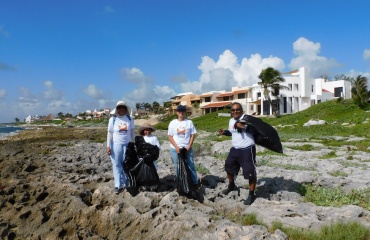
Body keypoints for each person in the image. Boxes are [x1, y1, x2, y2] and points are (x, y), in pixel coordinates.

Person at [218, 102, 257, 205]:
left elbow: (255, 130)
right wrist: (225, 132)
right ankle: (232, 185)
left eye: (237, 109)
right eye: (233, 110)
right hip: (235, 149)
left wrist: (243, 127)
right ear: (231, 112)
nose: (235, 112)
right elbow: (233, 132)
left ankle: (251, 194)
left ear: (241, 110)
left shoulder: (247, 119)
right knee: (228, 167)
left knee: (250, 172)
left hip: (247, 149)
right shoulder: (231, 121)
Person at [168, 105, 200, 194]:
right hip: (175, 149)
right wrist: (177, 147)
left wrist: (189, 147)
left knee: (191, 166)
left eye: (182, 111)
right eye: (179, 111)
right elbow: (170, 136)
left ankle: (195, 184)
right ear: (177, 112)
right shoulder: (172, 123)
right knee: (178, 167)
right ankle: (180, 183)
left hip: (187, 148)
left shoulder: (189, 122)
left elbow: (192, 135)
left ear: (184, 112)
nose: (181, 112)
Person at [106, 101, 135, 194]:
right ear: (117, 109)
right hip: (116, 145)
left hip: (127, 145)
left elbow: (132, 132)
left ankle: (126, 183)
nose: (121, 109)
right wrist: (108, 146)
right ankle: (117, 185)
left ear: (126, 108)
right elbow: (109, 133)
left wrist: (135, 143)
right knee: (117, 165)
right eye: (119, 107)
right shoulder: (113, 119)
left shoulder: (129, 119)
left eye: (123, 107)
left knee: (126, 164)